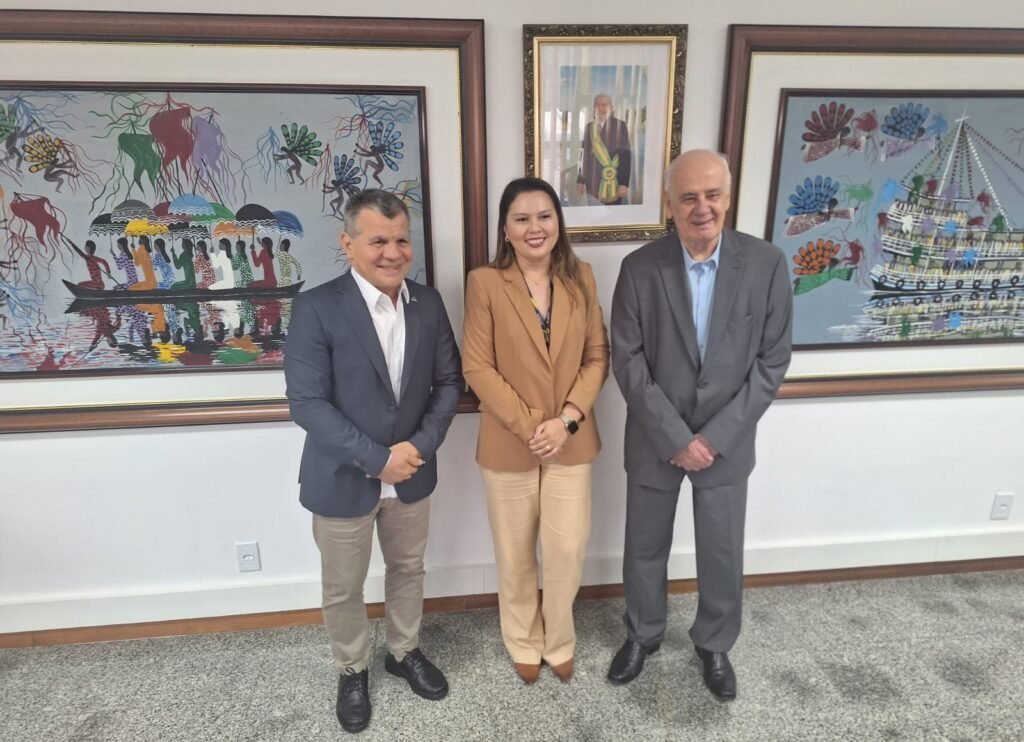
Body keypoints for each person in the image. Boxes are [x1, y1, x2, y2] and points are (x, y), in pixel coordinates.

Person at [607, 149, 793, 700]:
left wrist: (712, 438)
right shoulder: (639, 268)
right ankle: (642, 634)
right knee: (644, 547)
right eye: (688, 197)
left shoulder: (766, 264)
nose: (701, 208)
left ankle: (714, 644)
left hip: (725, 442)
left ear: (728, 198)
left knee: (721, 550)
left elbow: (772, 361)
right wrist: (676, 437)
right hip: (654, 439)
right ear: (669, 203)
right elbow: (628, 360)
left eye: (712, 195)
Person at [284, 189, 462, 734]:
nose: (393, 252)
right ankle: (352, 668)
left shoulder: (428, 303)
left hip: (412, 472)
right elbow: (307, 402)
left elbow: (448, 384)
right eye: (378, 240)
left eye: (402, 240)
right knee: (344, 586)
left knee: (408, 568)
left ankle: (404, 651)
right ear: (348, 243)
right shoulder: (316, 307)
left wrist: (416, 449)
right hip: (343, 478)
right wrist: (377, 458)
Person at [462, 177, 609, 685]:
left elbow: (597, 357)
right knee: (515, 553)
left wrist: (566, 421)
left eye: (544, 216)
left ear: (558, 223)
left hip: (571, 439)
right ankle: (523, 639)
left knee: (566, 550)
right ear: (505, 230)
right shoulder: (484, 283)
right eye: (521, 219)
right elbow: (477, 367)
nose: (534, 228)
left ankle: (559, 639)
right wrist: (533, 427)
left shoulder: (581, 278)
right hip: (510, 442)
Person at [576, 93, 632, 206]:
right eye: (597, 105)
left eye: (604, 105)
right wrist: (580, 181)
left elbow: (625, 157)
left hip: (614, 184)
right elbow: (584, 156)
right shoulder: (588, 127)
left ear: (611, 108)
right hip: (592, 184)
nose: (600, 108)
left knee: (612, 215)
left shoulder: (620, 126)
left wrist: (624, 183)